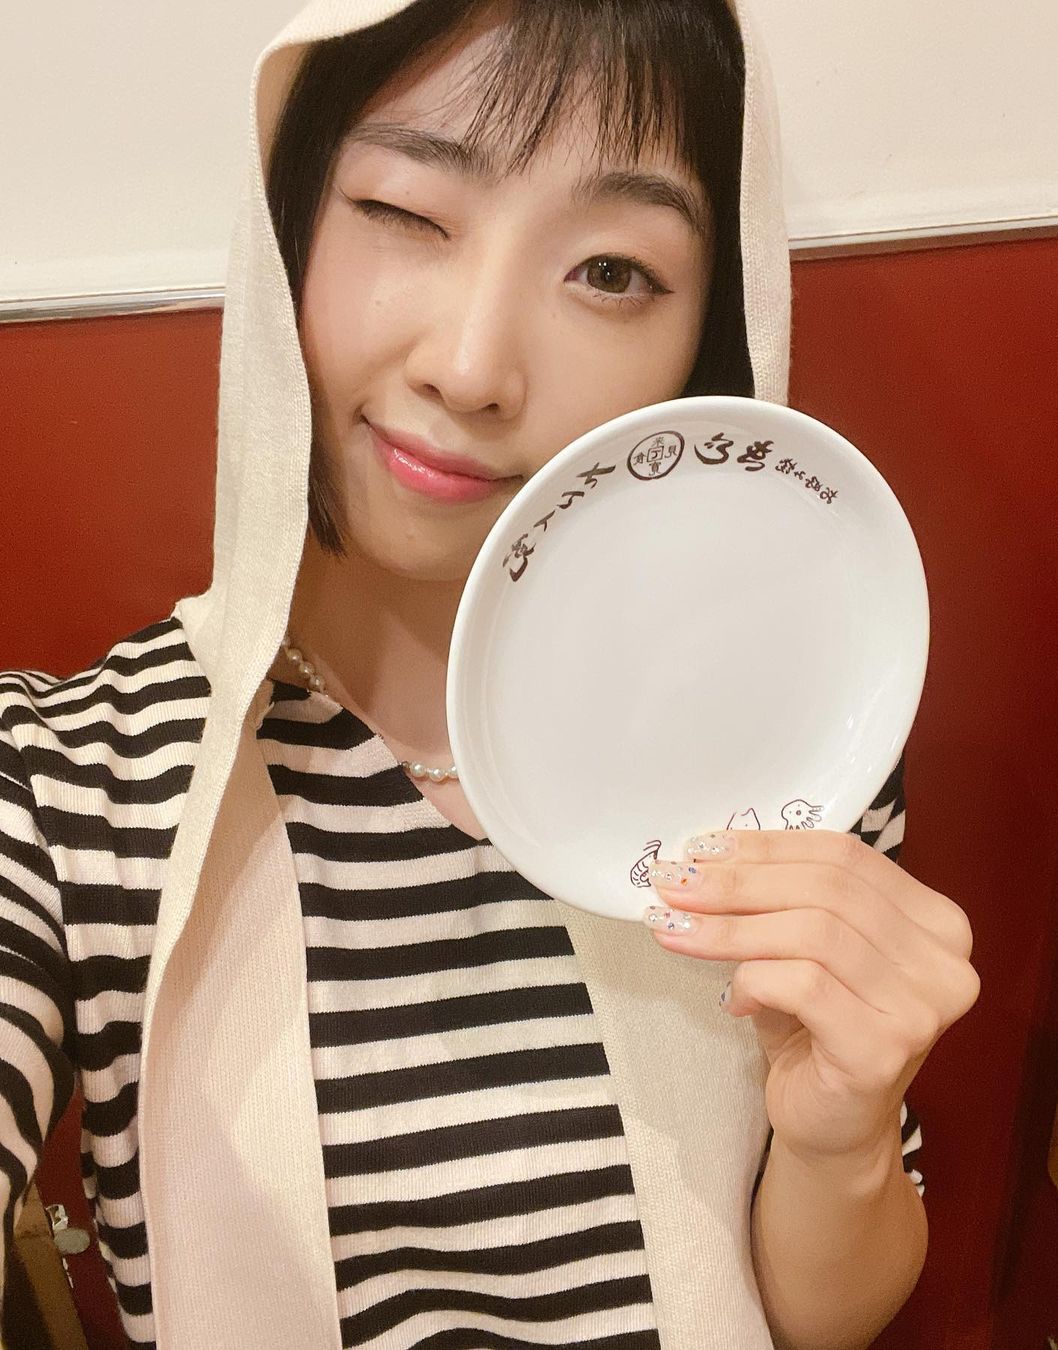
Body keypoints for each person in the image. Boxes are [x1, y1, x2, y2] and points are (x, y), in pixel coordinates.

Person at [0, 1, 980, 1346]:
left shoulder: (779, 739)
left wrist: (844, 1135)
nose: (471, 368)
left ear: (708, 338)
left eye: (613, 271)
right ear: (285, 228)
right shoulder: (69, 787)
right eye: (407, 212)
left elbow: (828, 1318)